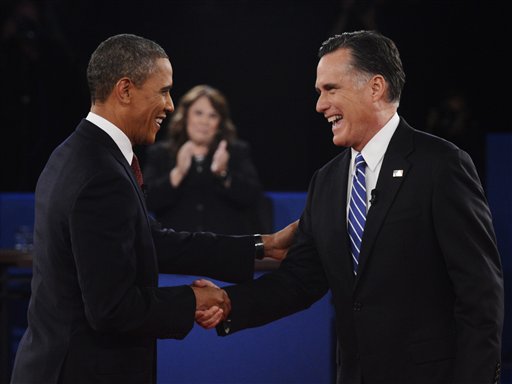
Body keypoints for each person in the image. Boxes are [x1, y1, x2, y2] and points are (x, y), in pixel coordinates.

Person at [208, 30, 505, 384]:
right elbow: (301, 280)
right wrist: (230, 303)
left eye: (330, 89)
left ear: (375, 87)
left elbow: (480, 294)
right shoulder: (327, 181)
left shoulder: (440, 166)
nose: (320, 105)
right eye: (319, 92)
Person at [10, 33, 297, 384]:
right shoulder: (100, 174)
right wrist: (192, 300)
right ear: (125, 90)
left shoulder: (77, 153)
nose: (171, 106)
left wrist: (260, 246)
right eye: (163, 91)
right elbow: (111, 309)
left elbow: (150, 240)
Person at [143, 84, 266, 235]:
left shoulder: (235, 152)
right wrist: (178, 173)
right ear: (185, 116)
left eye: (212, 115)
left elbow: (253, 198)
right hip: (177, 250)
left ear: (220, 123)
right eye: (198, 113)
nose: (204, 121)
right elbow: (147, 201)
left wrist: (223, 173)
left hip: (224, 247)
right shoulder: (161, 153)